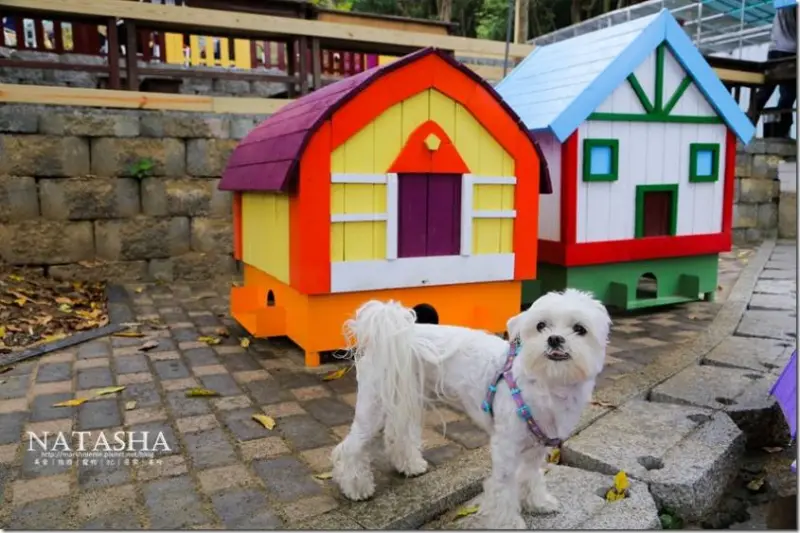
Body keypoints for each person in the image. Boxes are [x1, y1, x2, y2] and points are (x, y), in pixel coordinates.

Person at [748, 6, 797, 138]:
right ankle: (781, 133)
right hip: (791, 53)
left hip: (775, 50)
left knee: (765, 91)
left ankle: (746, 128)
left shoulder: (782, 5)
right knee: (787, 97)